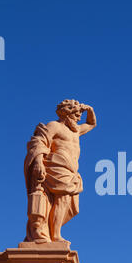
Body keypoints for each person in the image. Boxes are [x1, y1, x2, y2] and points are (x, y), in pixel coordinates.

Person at [24, 99, 97, 243]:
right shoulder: (54, 126)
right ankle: (55, 234)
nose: (78, 118)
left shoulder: (76, 130)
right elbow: (39, 141)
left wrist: (90, 109)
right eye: (76, 114)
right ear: (66, 113)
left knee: (64, 201)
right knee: (60, 199)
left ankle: (53, 233)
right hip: (55, 167)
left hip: (70, 170)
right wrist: (38, 161)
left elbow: (91, 123)